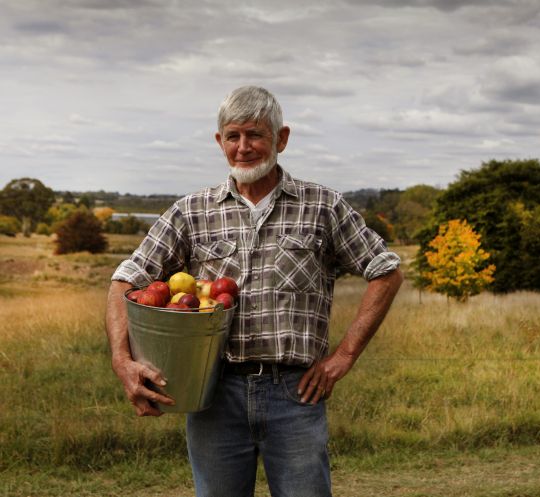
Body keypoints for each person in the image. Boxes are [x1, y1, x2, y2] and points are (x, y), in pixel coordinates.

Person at [105, 85, 403, 497]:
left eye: (256, 134)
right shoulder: (192, 212)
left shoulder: (322, 206)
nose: (243, 147)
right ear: (220, 142)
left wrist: (344, 357)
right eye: (233, 136)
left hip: (295, 393)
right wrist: (123, 360)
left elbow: (385, 271)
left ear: (281, 138)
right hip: (213, 393)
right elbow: (126, 277)